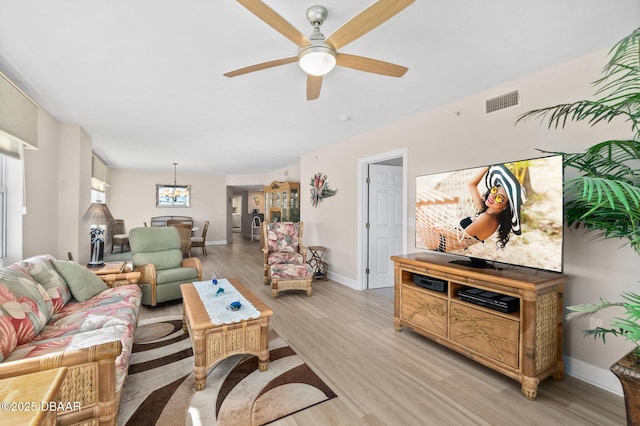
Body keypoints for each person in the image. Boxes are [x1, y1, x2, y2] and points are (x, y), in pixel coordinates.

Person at [432, 164, 526, 252]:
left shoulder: (487, 218)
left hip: (441, 243)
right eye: (494, 190)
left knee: (420, 210)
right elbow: (471, 185)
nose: (492, 196)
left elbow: (461, 236)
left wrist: (442, 230)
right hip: (442, 239)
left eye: (499, 198)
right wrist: (487, 166)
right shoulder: (488, 212)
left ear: (506, 206)